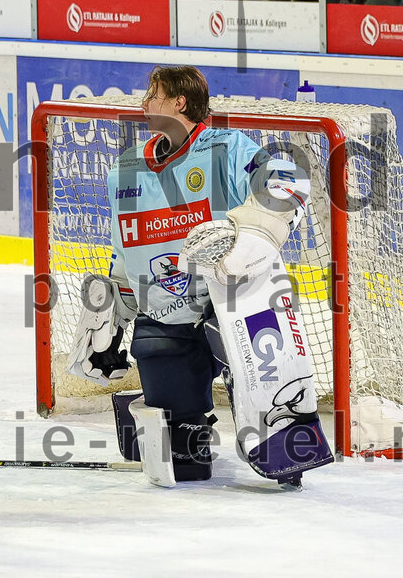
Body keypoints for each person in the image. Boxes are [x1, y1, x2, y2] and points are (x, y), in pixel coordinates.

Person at [67, 66, 331, 488]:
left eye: (153, 95)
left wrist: (259, 230)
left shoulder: (224, 148)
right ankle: (190, 427)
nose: (144, 104)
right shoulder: (127, 169)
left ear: (179, 102)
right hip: (167, 314)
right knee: (182, 461)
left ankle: (284, 436)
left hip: (231, 305)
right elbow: (126, 246)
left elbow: (287, 177)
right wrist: (115, 299)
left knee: (264, 352)